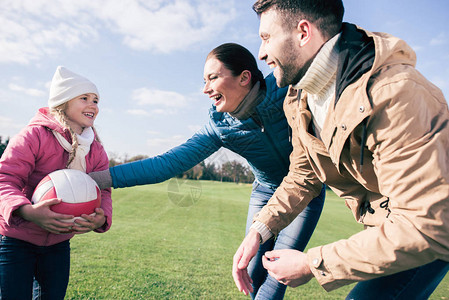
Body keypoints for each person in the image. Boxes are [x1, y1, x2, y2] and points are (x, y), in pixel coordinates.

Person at [232, 0, 449, 298]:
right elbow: (303, 176)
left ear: (303, 32)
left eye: (266, 38)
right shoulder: (298, 98)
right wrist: (260, 229)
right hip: (392, 228)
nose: (261, 53)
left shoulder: (395, 93)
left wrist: (312, 263)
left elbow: (426, 224)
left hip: (424, 230)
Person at [90, 43, 325, 299]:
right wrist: (97, 179)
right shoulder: (219, 128)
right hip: (265, 192)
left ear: (245, 77)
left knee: (275, 276)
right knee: (253, 271)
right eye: (205, 80)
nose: (205, 89)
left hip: (306, 192)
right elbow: (166, 164)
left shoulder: (287, 88)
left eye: (213, 78)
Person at [0, 66, 113, 299]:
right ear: (63, 102)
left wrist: (101, 217)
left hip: (59, 244)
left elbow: (103, 189)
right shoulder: (33, 136)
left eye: (96, 100)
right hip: (15, 239)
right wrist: (28, 211)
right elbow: (5, 179)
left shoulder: (96, 150)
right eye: (84, 98)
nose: (93, 105)